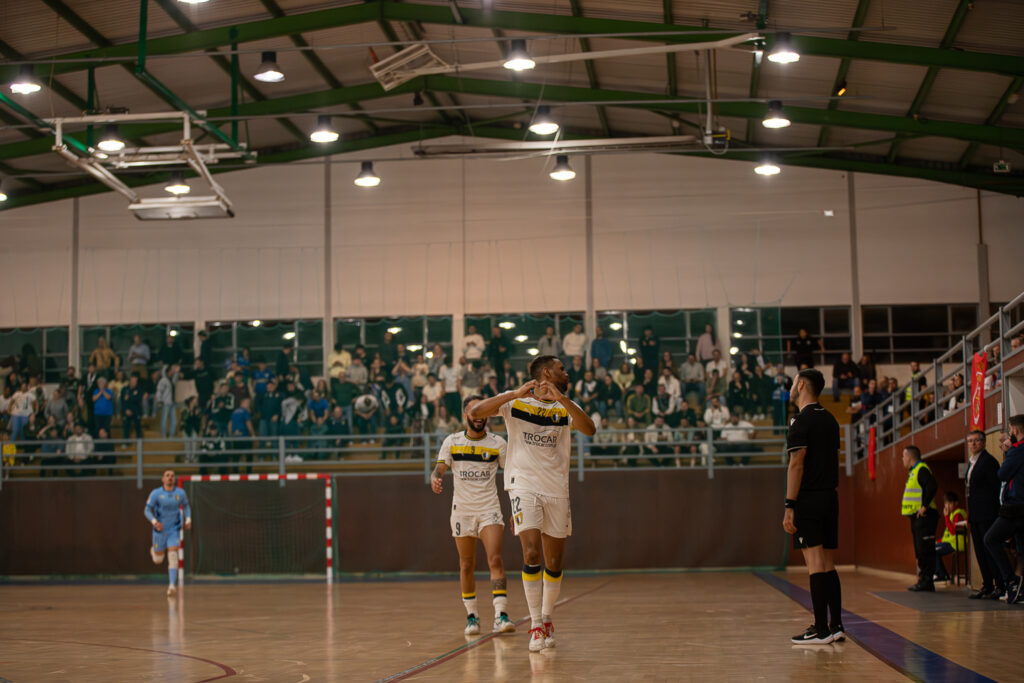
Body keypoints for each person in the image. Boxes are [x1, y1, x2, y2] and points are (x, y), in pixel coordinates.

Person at [468, 355, 596, 652]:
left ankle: (547, 618)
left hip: (556, 489)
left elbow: (589, 429)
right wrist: (513, 393)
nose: (567, 373)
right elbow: (475, 411)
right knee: (531, 552)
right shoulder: (516, 401)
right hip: (523, 485)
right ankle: (536, 624)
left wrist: (561, 398)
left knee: (555, 563)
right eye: (562, 369)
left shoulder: (564, 406)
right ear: (548, 372)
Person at [430, 395, 515, 636]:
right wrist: (435, 478)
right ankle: (472, 616)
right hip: (463, 511)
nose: (478, 416)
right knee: (466, 563)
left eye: (482, 411)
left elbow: (512, 476)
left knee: (495, 559)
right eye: (473, 412)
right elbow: (439, 469)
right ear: (465, 415)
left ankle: (500, 614)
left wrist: (516, 508)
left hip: (489, 508)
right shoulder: (452, 441)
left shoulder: (498, 443)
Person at [782, 368, 844, 644]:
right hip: (831, 497)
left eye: (794, 382)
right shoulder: (831, 419)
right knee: (828, 564)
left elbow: (796, 463)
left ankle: (820, 630)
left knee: (815, 565)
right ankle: (836, 625)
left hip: (809, 498)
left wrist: (789, 505)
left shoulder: (800, 421)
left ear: (801, 386)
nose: (791, 386)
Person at [983, 415, 1024, 604]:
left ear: (1015, 430)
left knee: (990, 539)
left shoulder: (1017, 450)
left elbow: (1002, 474)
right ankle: (1020, 590)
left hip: (1015, 507)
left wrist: (1008, 452)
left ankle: (1011, 581)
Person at [964, 430, 1005, 599]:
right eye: (970, 441)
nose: (973, 444)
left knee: (989, 551)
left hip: (987, 513)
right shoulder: (971, 462)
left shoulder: (989, 461)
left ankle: (1000, 585)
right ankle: (987, 585)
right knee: (980, 552)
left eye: (976, 440)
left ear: (983, 442)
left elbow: (995, 488)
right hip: (975, 514)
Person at [145, 469, 192, 597]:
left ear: (174, 479)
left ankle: (171, 585)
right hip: (160, 530)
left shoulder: (180, 493)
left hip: (174, 529)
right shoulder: (156, 493)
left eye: (172, 475)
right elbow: (147, 510)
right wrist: (154, 522)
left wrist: (188, 519)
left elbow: (186, 506)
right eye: (167, 475)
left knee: (173, 555)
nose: (170, 477)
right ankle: (154, 551)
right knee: (158, 560)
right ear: (163, 479)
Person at [901, 445, 939, 592]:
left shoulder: (921, 469)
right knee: (920, 550)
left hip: (925, 516)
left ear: (909, 457)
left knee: (925, 549)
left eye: (903, 456)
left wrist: (924, 506)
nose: (902, 459)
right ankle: (923, 580)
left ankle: (927, 581)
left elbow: (932, 486)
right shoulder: (913, 471)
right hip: (917, 517)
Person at [934, 492, 967, 583]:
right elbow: (947, 535)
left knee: (933, 550)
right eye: (946, 503)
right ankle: (942, 574)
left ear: (955, 503)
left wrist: (946, 517)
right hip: (951, 542)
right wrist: (938, 541)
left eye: (950, 503)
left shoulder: (958, 514)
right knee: (931, 548)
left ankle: (941, 574)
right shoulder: (952, 514)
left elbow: (953, 531)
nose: (947, 506)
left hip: (957, 544)